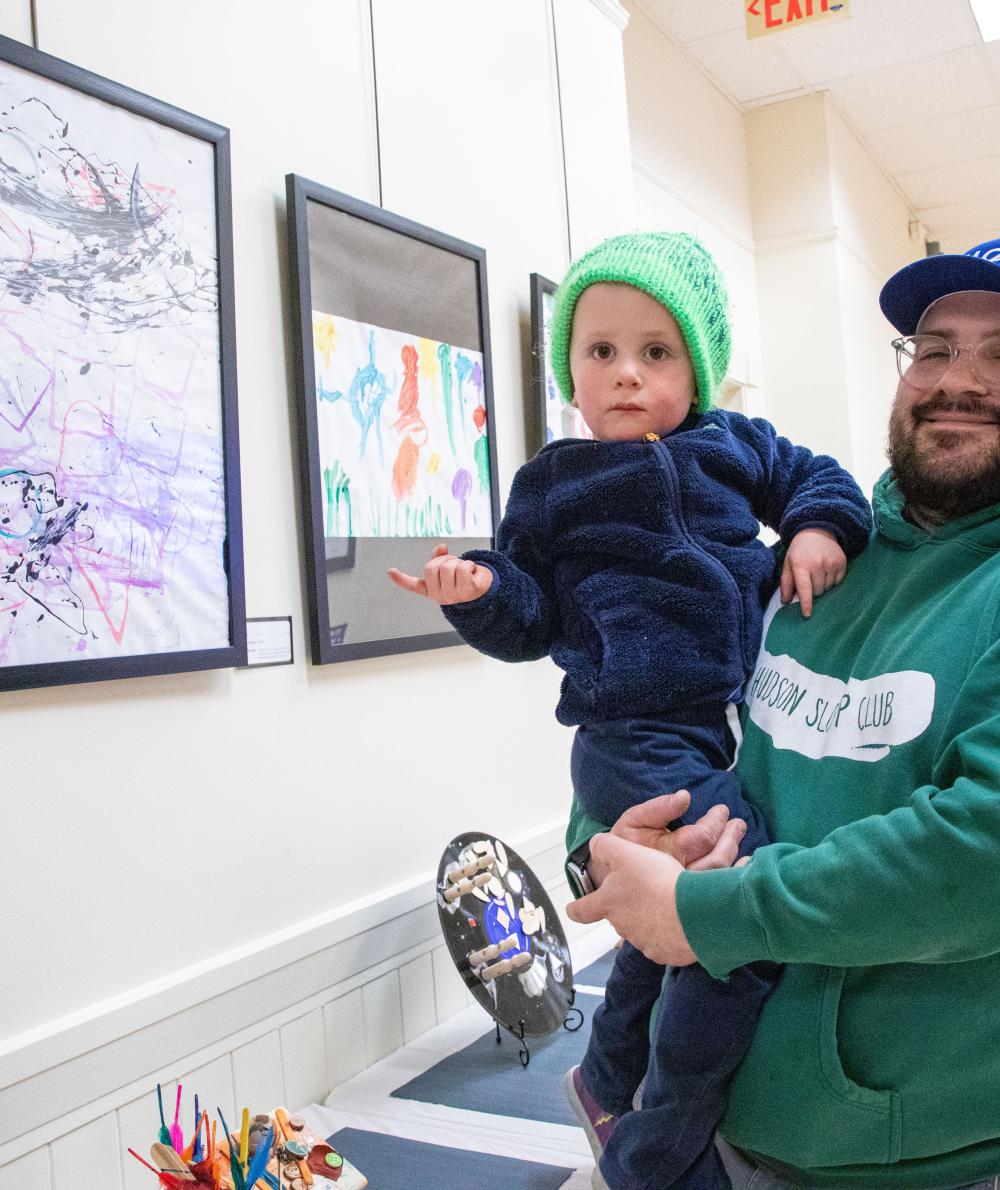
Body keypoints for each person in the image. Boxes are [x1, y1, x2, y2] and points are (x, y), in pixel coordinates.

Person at [390, 231, 871, 1189]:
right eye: (599, 351)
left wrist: (819, 526)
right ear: (570, 366)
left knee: (665, 927)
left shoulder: (741, 444)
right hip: (632, 735)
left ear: (699, 368)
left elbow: (825, 479)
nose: (624, 374)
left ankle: (606, 1074)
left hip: (736, 719)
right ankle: (658, 1148)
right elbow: (527, 613)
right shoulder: (555, 482)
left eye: (656, 352)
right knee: (732, 925)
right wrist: (474, 589)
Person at [566, 236, 1000, 1189]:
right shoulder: (806, 560)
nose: (959, 379)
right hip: (714, 1118)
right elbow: (657, 714)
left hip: (911, 1156)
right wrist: (615, 844)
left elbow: (979, 856)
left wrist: (709, 912)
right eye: (934, 347)